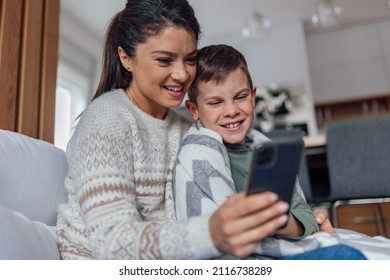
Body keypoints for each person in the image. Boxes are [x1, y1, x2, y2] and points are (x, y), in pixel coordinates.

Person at [56, 0, 290, 260]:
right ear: (126, 58)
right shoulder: (105, 120)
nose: (181, 74)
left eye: (190, 59)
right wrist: (211, 233)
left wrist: (299, 226)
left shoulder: (190, 129)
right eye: (165, 60)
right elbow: (112, 244)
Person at [173, 44, 319, 240]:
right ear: (194, 110)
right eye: (216, 102)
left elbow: (307, 221)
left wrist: (273, 220)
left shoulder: (266, 151)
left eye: (240, 97)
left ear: (252, 96)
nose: (232, 111)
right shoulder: (198, 158)